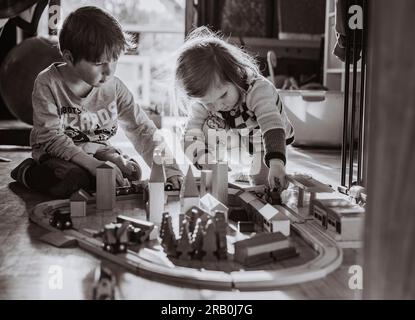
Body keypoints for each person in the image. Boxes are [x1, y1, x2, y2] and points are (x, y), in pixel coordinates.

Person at [11, 6, 182, 198]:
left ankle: (91, 177)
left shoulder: (115, 87)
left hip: (98, 150)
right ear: (69, 57)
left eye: (114, 60)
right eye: (99, 63)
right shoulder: (47, 83)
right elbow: (51, 138)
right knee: (73, 180)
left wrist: (170, 168)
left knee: (132, 173)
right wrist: (92, 165)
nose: (109, 72)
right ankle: (27, 171)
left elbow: (143, 129)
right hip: (57, 153)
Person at [175, 26, 294, 189]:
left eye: (223, 95)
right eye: (208, 102)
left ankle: (259, 167)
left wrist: (277, 163)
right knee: (206, 124)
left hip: (270, 136)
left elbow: (272, 125)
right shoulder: (205, 101)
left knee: (263, 181)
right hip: (239, 134)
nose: (218, 106)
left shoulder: (259, 90)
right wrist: (207, 164)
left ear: (236, 73)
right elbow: (189, 134)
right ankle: (217, 167)